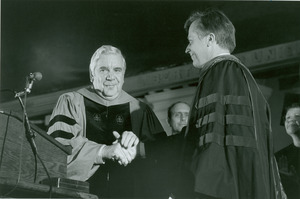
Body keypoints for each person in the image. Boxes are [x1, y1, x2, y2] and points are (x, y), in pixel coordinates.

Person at [182, 8, 285, 199]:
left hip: (220, 190)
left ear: (210, 39)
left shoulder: (220, 73)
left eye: (191, 41)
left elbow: (212, 145)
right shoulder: (241, 76)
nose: (187, 49)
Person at [47, 45, 166, 198]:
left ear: (123, 75)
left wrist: (136, 147)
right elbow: (57, 152)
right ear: (92, 75)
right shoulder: (71, 102)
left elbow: (160, 156)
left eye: (117, 70)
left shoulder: (140, 110)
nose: (111, 76)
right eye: (103, 70)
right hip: (79, 195)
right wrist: (104, 151)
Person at [276, 103, 300, 199]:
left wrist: (295, 182)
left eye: (297, 116)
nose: (290, 120)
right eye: (288, 117)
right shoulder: (280, 156)